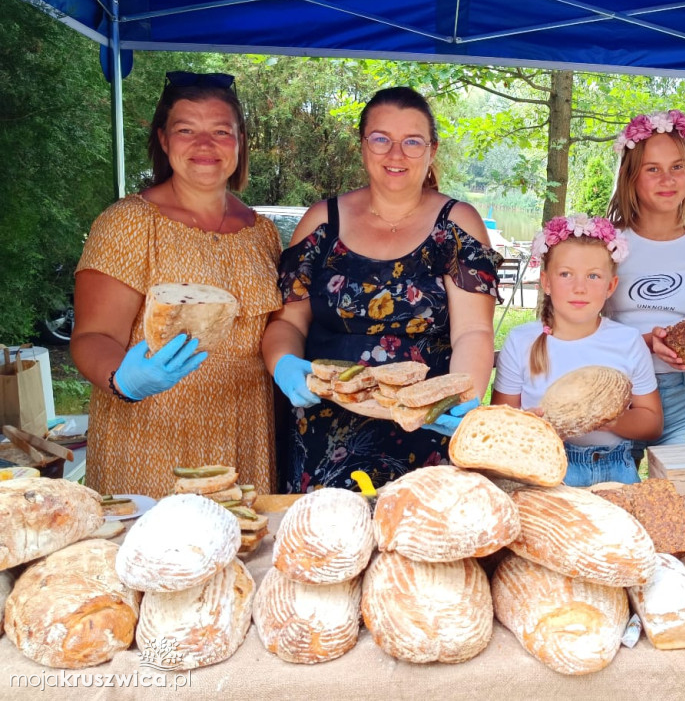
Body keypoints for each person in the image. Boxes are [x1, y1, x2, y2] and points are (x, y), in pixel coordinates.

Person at [262, 86, 501, 493]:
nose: (396, 154)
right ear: (362, 146)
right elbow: (288, 323)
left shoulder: (457, 223)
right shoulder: (322, 220)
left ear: (432, 150)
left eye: (412, 142)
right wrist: (283, 362)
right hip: (324, 430)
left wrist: (465, 394)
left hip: (425, 426)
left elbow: (473, 331)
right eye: (381, 139)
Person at [71, 71, 283, 499]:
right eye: (187, 130)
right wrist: (123, 381)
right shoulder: (128, 222)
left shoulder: (262, 231)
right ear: (164, 140)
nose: (204, 145)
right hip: (152, 433)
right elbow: (93, 335)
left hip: (247, 431)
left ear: (240, 142)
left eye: (220, 131)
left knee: (244, 556)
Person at [604, 110, 685, 465]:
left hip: (679, 398)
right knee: (613, 499)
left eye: (677, 167)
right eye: (653, 169)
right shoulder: (605, 247)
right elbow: (572, 327)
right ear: (631, 176)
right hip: (615, 392)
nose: (668, 179)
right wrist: (647, 342)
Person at [491, 214, 662, 487]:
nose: (580, 288)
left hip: (615, 469)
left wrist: (608, 419)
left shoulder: (627, 341)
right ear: (545, 282)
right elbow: (500, 424)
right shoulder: (520, 341)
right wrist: (529, 425)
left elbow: (652, 423)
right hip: (543, 469)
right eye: (566, 274)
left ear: (610, 286)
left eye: (593, 276)